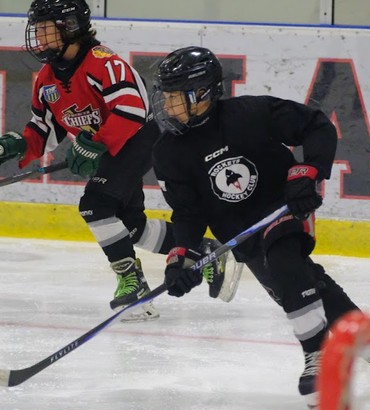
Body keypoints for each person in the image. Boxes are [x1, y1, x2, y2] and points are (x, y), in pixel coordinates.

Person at [150, 45, 370, 407]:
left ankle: (317, 357)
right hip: (243, 236)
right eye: (166, 96)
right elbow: (187, 213)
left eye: (174, 97)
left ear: (201, 93)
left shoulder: (250, 114)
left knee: (284, 261)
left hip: (282, 207)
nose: (167, 105)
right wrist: (181, 258)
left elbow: (316, 126)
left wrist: (306, 173)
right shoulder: (168, 152)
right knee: (306, 288)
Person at [0, 1, 242, 322]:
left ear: (69, 27)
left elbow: (132, 110)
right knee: (131, 227)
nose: (38, 36)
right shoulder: (47, 80)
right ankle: (206, 251)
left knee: (96, 206)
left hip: (140, 137)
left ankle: (133, 284)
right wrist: (18, 146)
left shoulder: (103, 63)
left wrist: (94, 145)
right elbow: (45, 129)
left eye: (45, 28)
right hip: (109, 147)